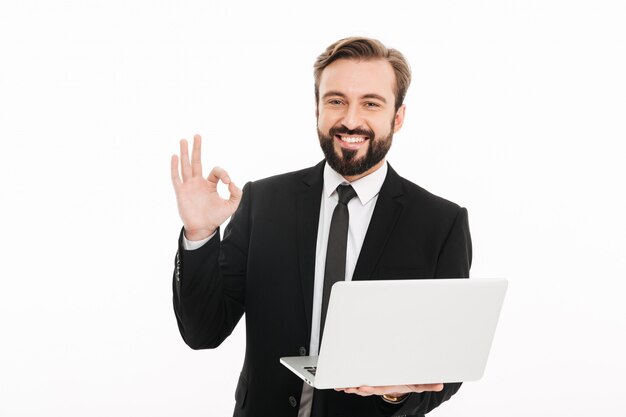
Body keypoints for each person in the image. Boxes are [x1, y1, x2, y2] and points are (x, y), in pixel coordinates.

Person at [170, 37, 472, 417]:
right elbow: (203, 332)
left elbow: (447, 365)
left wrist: (397, 393)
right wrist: (200, 235)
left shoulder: (440, 223)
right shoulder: (262, 202)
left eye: (371, 103)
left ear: (397, 117)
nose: (350, 120)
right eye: (336, 100)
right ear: (317, 108)